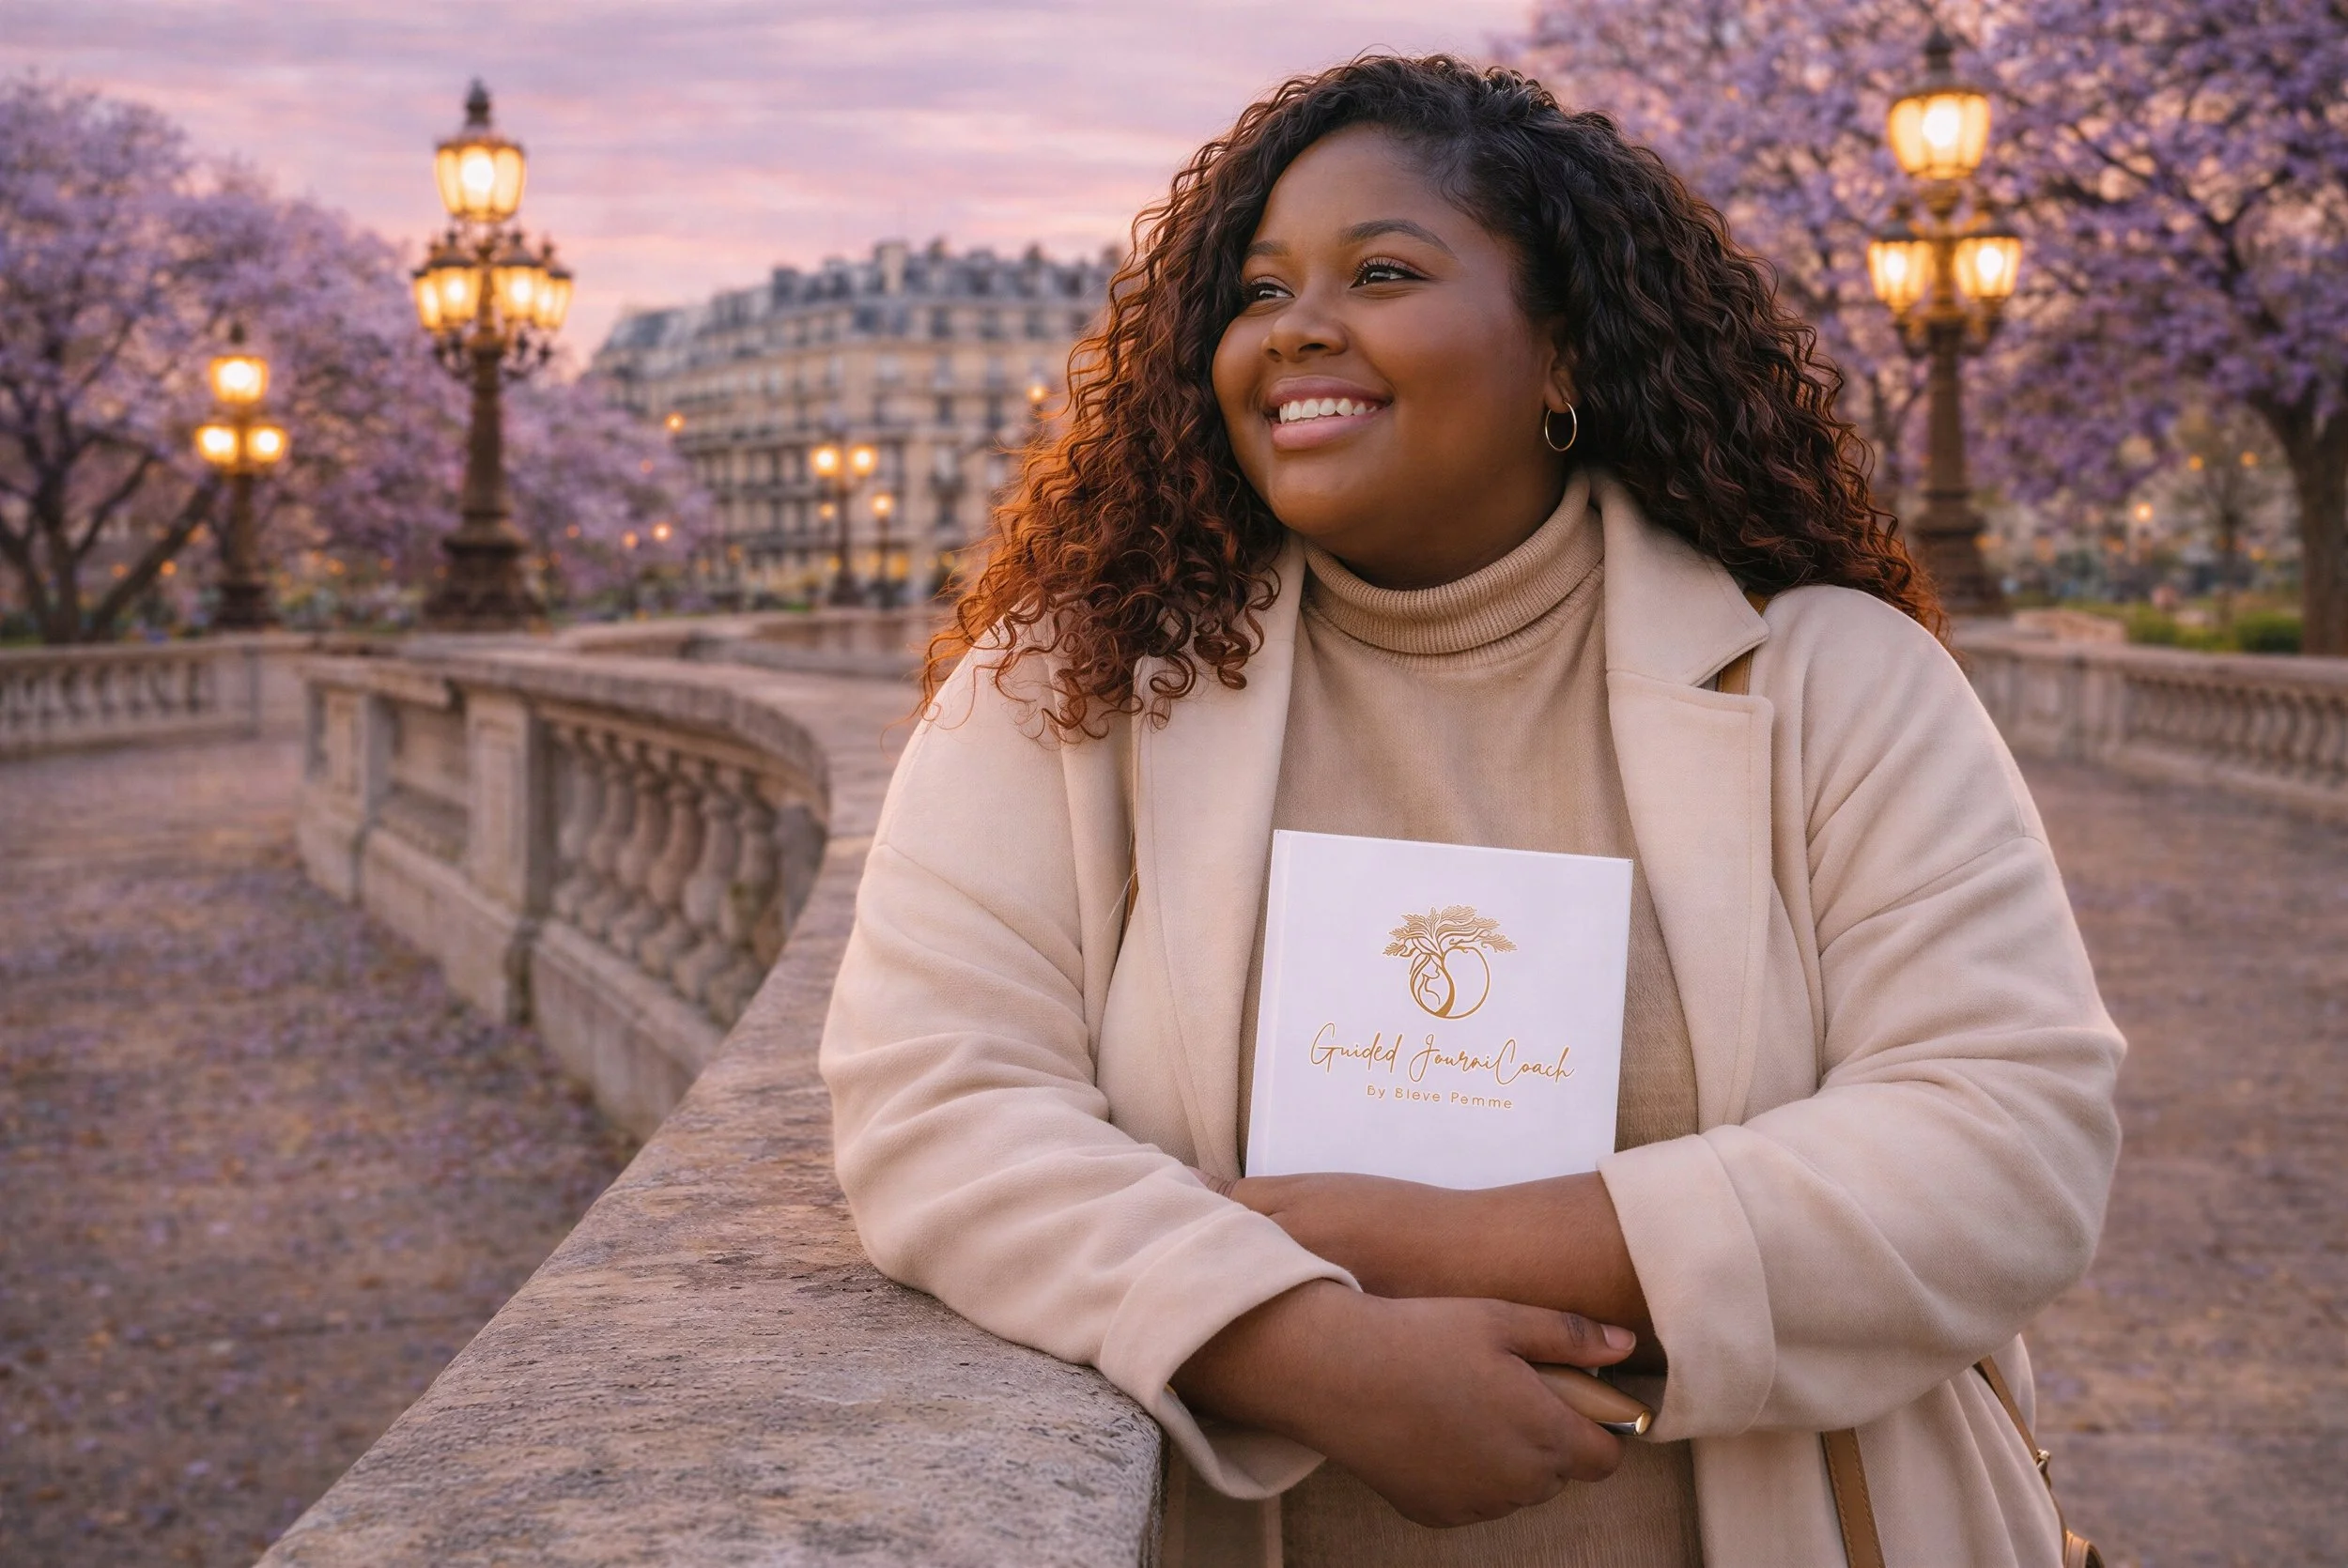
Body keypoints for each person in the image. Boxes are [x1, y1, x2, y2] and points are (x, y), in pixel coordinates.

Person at [820, 54, 2122, 1568]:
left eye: (1381, 270)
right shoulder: (1067, 688)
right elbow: (936, 1104)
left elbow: (2008, 1137)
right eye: (1254, 292)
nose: (1298, 325)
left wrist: (1420, 1238)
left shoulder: (1834, 674)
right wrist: (1294, 1343)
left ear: (1564, 352)